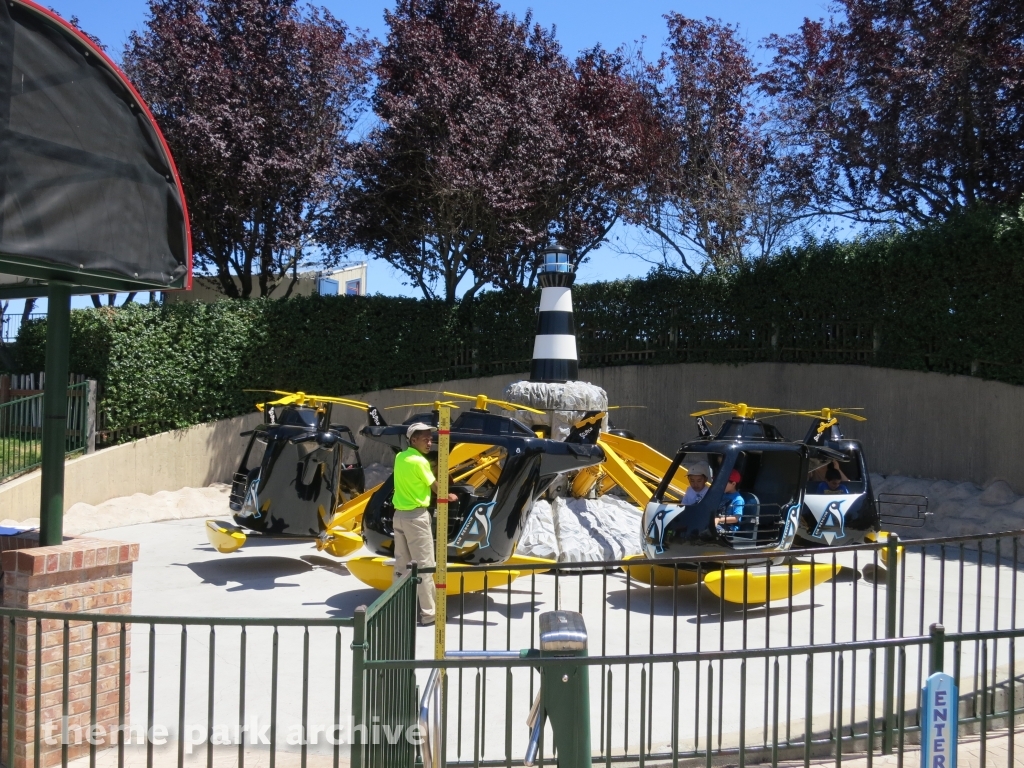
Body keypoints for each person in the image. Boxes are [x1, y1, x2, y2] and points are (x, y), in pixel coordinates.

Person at [392, 422, 458, 627]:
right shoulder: (420, 462)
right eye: (425, 438)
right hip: (416, 519)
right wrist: (448, 495)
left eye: (431, 438)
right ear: (413, 440)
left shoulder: (399, 457)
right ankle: (430, 615)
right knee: (425, 566)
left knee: (402, 566)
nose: (430, 442)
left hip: (399, 517)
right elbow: (435, 487)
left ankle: (398, 609)